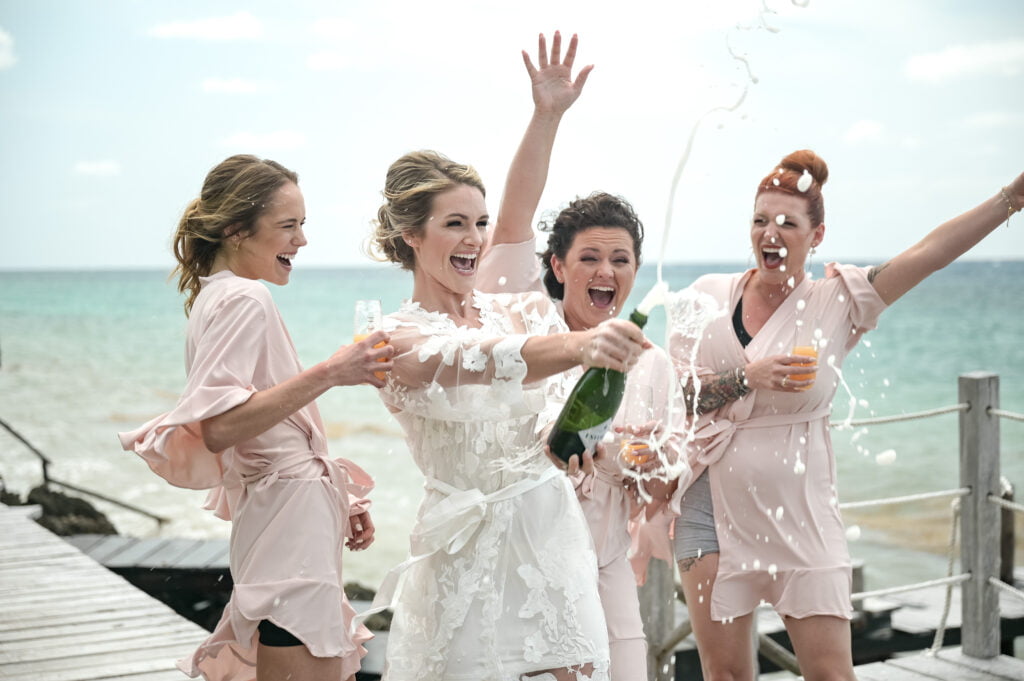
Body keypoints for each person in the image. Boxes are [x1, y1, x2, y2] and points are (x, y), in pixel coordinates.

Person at [666, 150, 1024, 681]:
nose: (771, 233)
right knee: (726, 675)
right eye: (760, 220)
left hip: (801, 514)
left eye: (787, 223)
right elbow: (675, 396)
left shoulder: (837, 302)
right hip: (708, 507)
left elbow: (929, 255)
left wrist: (1010, 200)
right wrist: (747, 377)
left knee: (831, 674)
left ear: (817, 235)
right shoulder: (707, 297)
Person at [364, 48, 652, 674]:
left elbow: (518, 220)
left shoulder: (512, 310)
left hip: (549, 541)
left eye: (480, 223)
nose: (474, 239)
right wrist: (581, 345)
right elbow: (476, 360)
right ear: (412, 235)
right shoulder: (394, 337)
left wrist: (546, 116)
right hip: (460, 553)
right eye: (455, 224)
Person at [118, 154, 393, 681]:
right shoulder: (246, 296)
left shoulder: (214, 296)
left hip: (281, 512)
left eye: (302, 225)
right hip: (288, 516)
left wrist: (343, 499)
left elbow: (260, 430)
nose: (302, 240)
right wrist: (333, 371)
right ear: (236, 230)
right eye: (288, 226)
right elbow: (220, 428)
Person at [474, 32, 686, 680]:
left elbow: (667, 480)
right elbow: (511, 223)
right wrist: (547, 116)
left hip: (606, 564)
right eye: (589, 256)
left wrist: (641, 461)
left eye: (620, 259)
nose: (605, 271)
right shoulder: (525, 324)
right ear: (558, 265)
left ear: (635, 271)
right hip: (524, 566)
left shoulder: (652, 363)